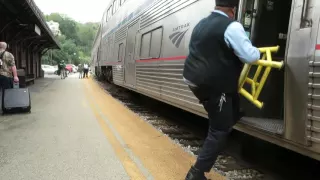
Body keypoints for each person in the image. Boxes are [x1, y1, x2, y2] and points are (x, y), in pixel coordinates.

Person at [182, 0, 260, 179]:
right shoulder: (232, 26)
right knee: (219, 129)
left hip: (193, 79)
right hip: (213, 85)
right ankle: (196, 173)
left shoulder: (201, 24)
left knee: (228, 102)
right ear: (233, 10)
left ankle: (233, 113)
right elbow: (250, 56)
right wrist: (258, 51)